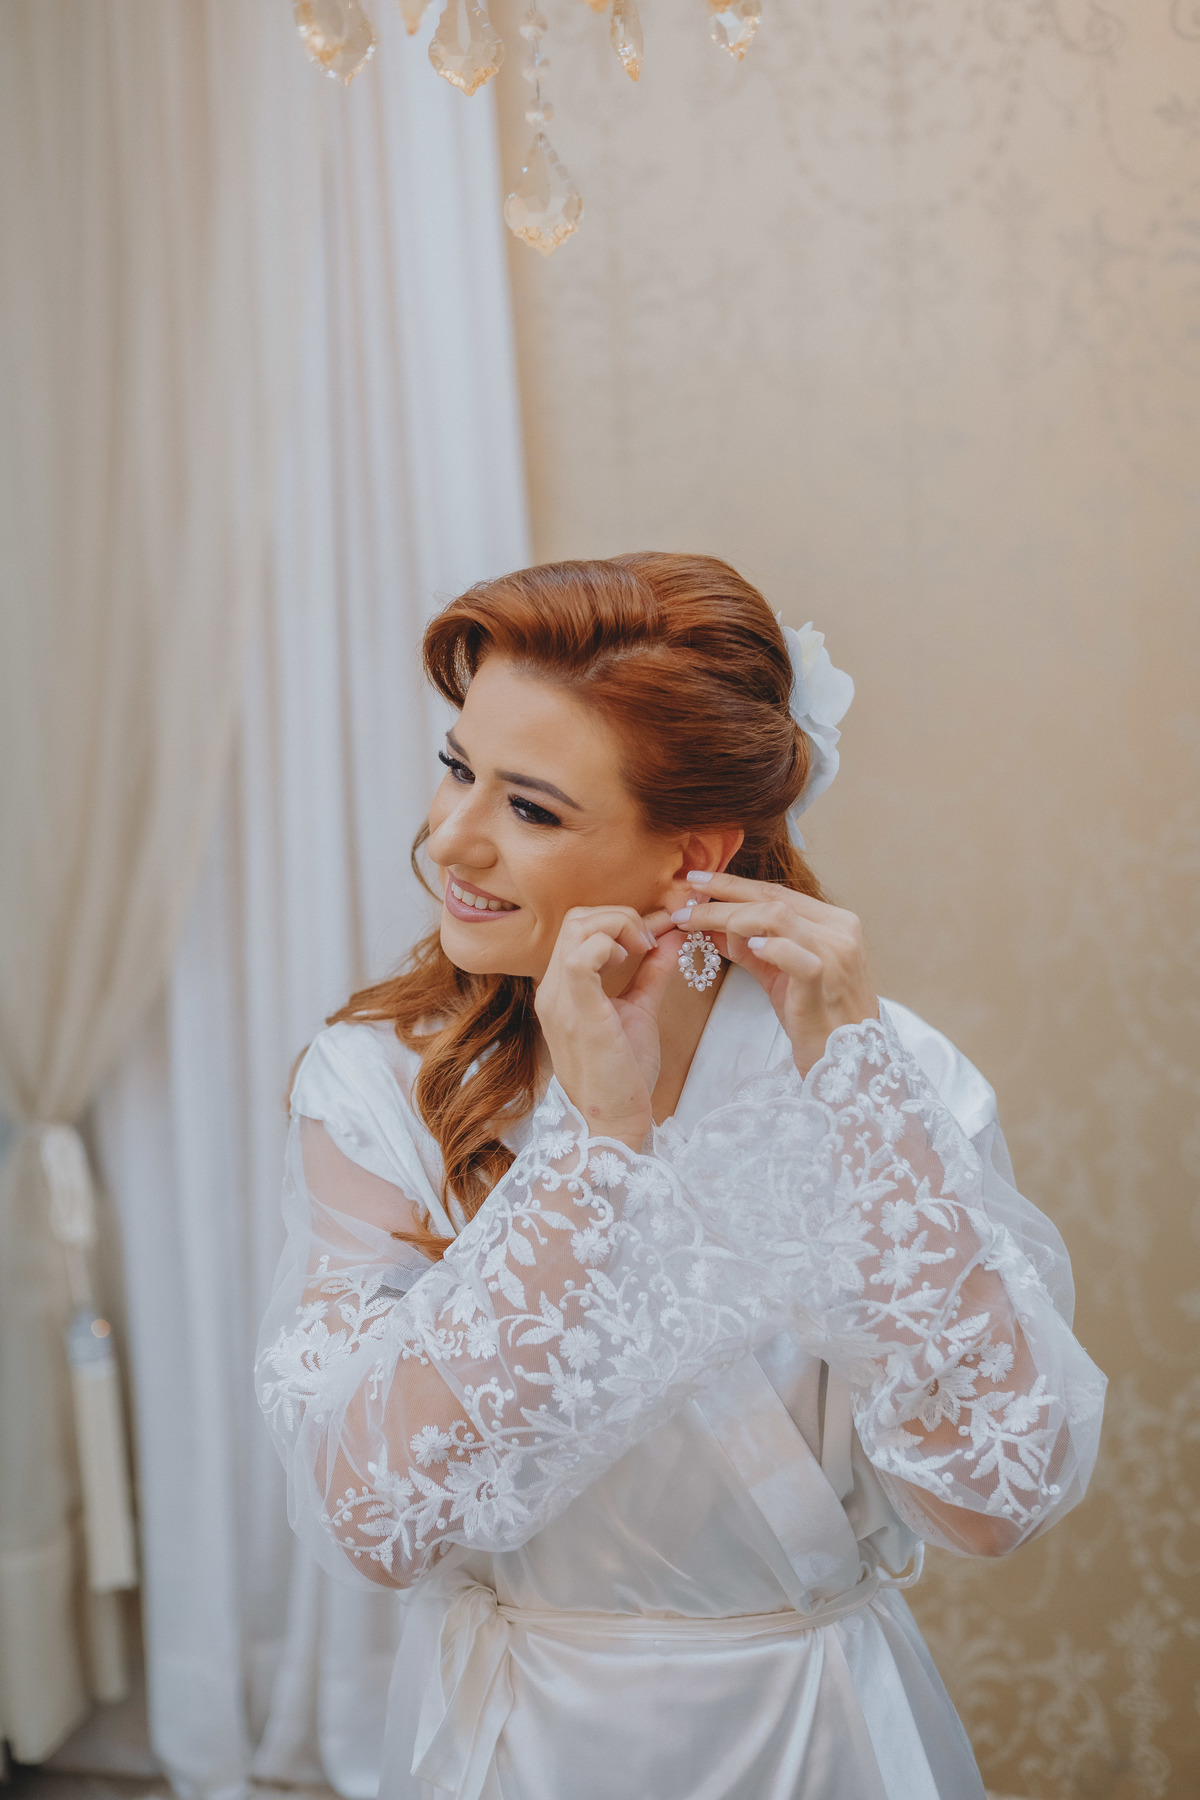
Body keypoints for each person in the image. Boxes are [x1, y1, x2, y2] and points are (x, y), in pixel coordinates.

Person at [256, 553, 1106, 1800]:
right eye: (456, 767)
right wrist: (595, 1151)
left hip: (818, 1738)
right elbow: (370, 1518)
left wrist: (860, 1083)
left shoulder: (885, 1079)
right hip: (522, 1744)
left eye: (530, 809)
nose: (451, 837)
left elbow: (993, 1498)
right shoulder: (381, 1081)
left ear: (692, 854)